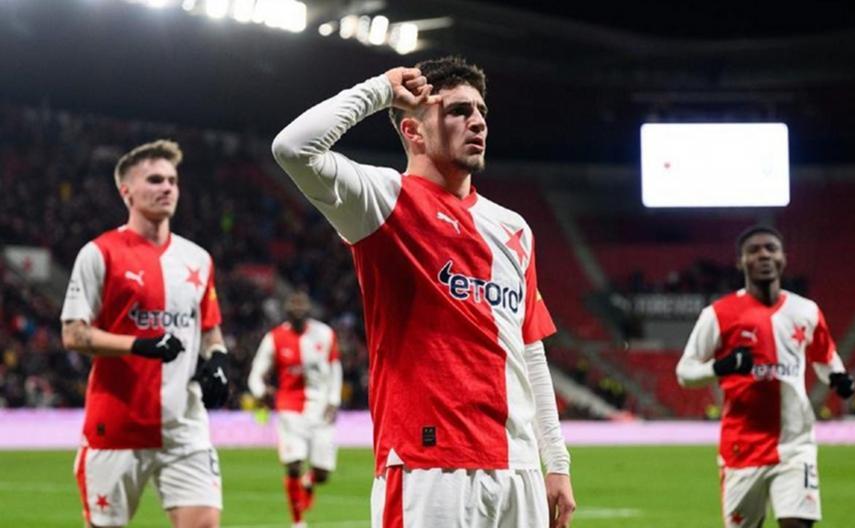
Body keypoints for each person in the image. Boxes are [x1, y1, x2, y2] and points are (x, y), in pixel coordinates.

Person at [271, 56, 576, 527]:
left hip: (518, 469)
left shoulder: (514, 228)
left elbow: (529, 349)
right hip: (427, 465)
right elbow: (293, 148)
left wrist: (555, 460)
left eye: (481, 111)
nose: (478, 121)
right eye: (458, 111)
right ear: (413, 131)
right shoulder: (383, 200)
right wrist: (381, 90)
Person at [60, 140, 231, 528]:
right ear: (127, 191)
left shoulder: (197, 259)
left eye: (172, 180)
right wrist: (140, 345)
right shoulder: (100, 253)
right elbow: (73, 334)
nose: (167, 187)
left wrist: (218, 359)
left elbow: (209, 328)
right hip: (118, 425)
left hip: (185, 425)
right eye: (154, 180)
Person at [676, 225, 855, 528]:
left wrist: (837, 377)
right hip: (741, 449)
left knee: (797, 524)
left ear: (783, 258)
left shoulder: (806, 311)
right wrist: (722, 367)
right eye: (754, 250)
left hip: (795, 443)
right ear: (740, 262)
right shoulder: (718, 314)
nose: (764, 255)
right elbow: (685, 372)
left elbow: (824, 356)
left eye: (771, 248)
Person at [248, 289, 342, 528]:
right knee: (293, 464)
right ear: (286, 310)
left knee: (322, 473)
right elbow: (256, 373)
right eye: (294, 306)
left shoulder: (325, 334)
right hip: (290, 409)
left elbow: (335, 369)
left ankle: (308, 482)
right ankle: (298, 522)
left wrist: (334, 400)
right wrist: (261, 392)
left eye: (302, 305)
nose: (298, 310)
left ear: (309, 309)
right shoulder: (274, 338)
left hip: (321, 408)